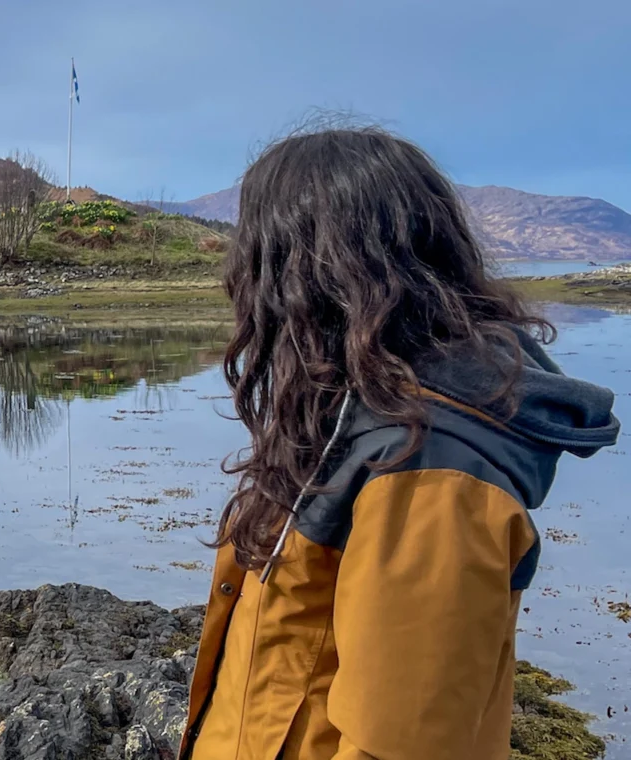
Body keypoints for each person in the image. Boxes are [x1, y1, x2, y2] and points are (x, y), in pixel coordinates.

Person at [183, 127, 620, 760]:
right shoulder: (347, 415)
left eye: (254, 255)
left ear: (307, 273)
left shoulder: (430, 474)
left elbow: (405, 742)